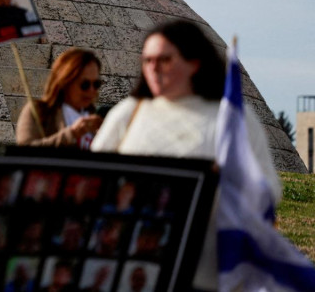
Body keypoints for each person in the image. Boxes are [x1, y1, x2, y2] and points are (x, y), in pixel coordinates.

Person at [92, 20, 281, 291]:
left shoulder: (232, 118)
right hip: (134, 268)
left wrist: (230, 182)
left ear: (194, 62)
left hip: (206, 271)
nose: (154, 68)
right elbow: (95, 178)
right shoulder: (129, 113)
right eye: (147, 60)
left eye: (165, 60)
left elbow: (267, 189)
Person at [16, 48, 103, 147]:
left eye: (96, 84)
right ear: (66, 82)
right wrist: (72, 134)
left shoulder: (95, 116)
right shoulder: (39, 111)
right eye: (85, 84)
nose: (92, 90)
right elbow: (25, 152)